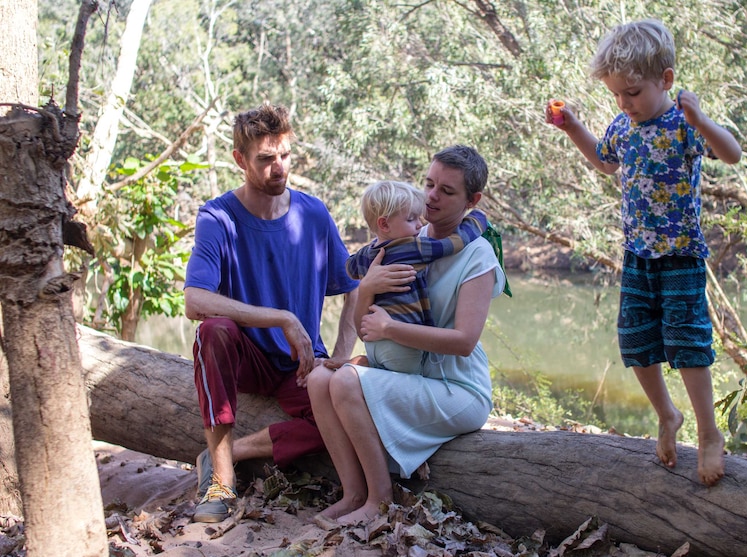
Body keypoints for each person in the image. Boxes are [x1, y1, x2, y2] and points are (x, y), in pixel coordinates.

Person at [545, 18, 741, 486]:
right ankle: (666, 414)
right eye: (616, 94)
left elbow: (732, 154)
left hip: (680, 255)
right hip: (637, 256)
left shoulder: (683, 125)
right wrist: (572, 125)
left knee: (688, 343)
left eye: (632, 93)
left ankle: (709, 433)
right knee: (635, 342)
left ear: (666, 80)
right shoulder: (623, 126)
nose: (623, 103)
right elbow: (605, 162)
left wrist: (702, 121)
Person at [305, 145, 506, 526]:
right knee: (318, 379)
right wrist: (367, 289)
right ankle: (353, 494)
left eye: (447, 191)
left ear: (472, 200)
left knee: (347, 381)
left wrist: (391, 329)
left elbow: (464, 342)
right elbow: (366, 320)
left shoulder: (477, 255)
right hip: (406, 373)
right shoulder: (405, 234)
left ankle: (379, 501)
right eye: (429, 184)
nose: (431, 196)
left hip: (456, 387)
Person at [183, 103, 359, 522]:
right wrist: (281, 317)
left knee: (342, 421)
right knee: (214, 331)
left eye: (284, 156)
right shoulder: (218, 217)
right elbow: (195, 301)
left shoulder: (313, 214)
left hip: (301, 362)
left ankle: (225, 451)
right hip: (248, 359)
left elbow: (354, 287)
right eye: (266, 159)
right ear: (240, 160)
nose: (279, 168)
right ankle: (222, 480)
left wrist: (341, 352)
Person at [344, 179, 488, 373]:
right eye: (411, 219)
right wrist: (477, 219)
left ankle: (365, 364)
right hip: (402, 346)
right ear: (384, 224)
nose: (420, 225)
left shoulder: (364, 255)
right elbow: (454, 243)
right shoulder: (414, 248)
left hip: (373, 343)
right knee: (408, 380)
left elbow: (349, 268)